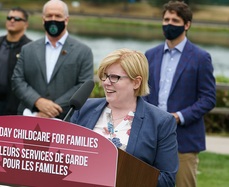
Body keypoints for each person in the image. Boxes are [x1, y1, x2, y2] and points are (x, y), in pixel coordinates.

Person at [70, 48, 178, 187]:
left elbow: (166, 181)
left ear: (136, 82)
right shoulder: (83, 109)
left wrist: (116, 172)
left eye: (115, 77)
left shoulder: (161, 122)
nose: (106, 82)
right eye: (105, 75)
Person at [144, 1, 216, 187]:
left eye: (175, 20)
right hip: (151, 138)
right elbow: (143, 92)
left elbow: (208, 98)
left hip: (184, 141)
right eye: (166, 19)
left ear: (187, 24)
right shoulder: (150, 55)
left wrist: (179, 117)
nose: (169, 23)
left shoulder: (201, 58)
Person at [12, 0, 93, 120]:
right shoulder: (27, 49)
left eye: (58, 16)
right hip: (29, 117)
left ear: (66, 19)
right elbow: (17, 80)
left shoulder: (83, 51)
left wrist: (51, 109)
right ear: (43, 19)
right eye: (49, 16)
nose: (53, 19)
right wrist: (38, 101)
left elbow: (84, 85)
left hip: (66, 120)